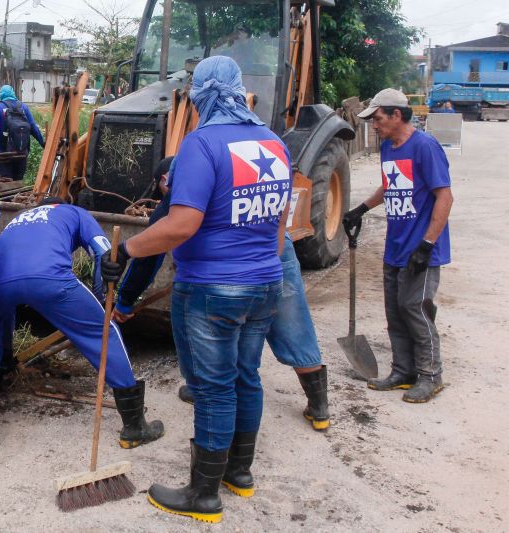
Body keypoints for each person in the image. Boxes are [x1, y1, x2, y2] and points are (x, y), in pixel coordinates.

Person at [102, 56, 291, 524]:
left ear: (201, 93)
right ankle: (238, 474)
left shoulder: (200, 145)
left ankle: (203, 494)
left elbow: (180, 225)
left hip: (212, 289)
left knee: (212, 389)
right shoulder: (273, 143)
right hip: (266, 280)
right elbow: (280, 228)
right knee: (247, 377)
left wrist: (125, 253)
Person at [114, 158, 329, 432]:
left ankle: (214, 399)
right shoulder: (236, 167)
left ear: (166, 178)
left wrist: (124, 301)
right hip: (274, 247)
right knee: (292, 322)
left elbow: (152, 252)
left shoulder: (186, 179)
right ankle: (319, 406)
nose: (165, 194)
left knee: (222, 327)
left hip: (233, 263)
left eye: (163, 188)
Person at [0, 198, 164, 448]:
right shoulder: (75, 212)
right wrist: (102, 300)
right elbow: (104, 253)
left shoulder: (19, 218)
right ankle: (134, 426)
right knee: (101, 333)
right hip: (49, 278)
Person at [343, 88, 453, 404]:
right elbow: (392, 185)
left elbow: (444, 196)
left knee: (415, 309)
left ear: (395, 115)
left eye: (377, 119)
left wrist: (427, 244)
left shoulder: (425, 146)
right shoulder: (390, 147)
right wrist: (361, 208)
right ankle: (403, 370)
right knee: (394, 311)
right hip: (396, 245)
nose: (373, 126)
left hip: (421, 248)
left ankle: (431, 375)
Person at [0, 84, 45, 180]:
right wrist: (44, 145)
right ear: (13, 93)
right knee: (18, 185)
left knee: (6, 187)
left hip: (3, 156)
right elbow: (34, 128)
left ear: (1, 94)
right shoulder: (24, 107)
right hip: (21, 154)